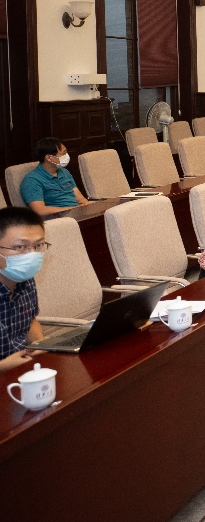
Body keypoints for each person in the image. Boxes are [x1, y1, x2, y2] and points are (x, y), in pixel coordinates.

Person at [0, 207, 46, 372]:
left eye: (38, 245)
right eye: (20, 247)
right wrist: (3, 367)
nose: (31, 255)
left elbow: (29, 319)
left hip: (23, 371)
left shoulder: (24, 279)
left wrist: (40, 343)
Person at [20, 137, 90, 216]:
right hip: (57, 218)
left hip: (77, 214)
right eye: (63, 154)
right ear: (49, 158)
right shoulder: (32, 180)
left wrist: (86, 205)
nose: (67, 156)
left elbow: (80, 198)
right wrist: (72, 210)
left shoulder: (64, 172)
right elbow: (40, 210)